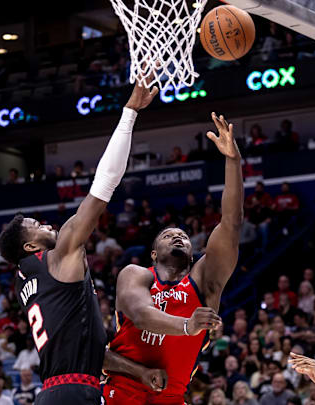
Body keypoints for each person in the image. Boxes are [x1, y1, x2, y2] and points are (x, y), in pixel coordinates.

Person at [0, 81, 166, 405]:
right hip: (73, 394)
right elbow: (104, 186)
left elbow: (86, 351)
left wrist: (139, 372)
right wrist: (129, 113)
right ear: (32, 247)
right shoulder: (57, 258)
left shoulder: (28, 280)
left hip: (59, 391)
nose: (46, 224)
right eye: (37, 226)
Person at [104, 112, 243, 405]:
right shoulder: (135, 274)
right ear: (153, 254)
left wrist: (232, 162)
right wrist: (187, 326)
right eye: (168, 236)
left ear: (193, 252)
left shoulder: (205, 280)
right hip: (124, 387)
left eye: (182, 236)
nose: (178, 237)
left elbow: (231, 223)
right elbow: (141, 315)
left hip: (172, 395)